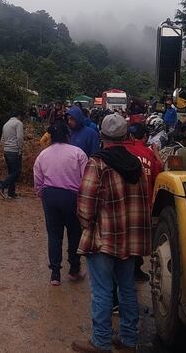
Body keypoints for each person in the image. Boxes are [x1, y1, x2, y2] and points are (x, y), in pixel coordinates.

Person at [72, 113, 151, 353]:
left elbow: (85, 207)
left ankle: (101, 341)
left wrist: (89, 226)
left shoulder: (98, 163)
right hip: (130, 239)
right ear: (126, 136)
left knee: (102, 290)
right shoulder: (136, 164)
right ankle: (128, 340)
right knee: (127, 288)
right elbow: (144, 200)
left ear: (102, 136)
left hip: (104, 239)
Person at [33, 121, 88, 286]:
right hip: (72, 197)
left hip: (50, 195)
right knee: (74, 232)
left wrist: (42, 194)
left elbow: (37, 179)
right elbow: (86, 178)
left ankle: (55, 274)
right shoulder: (78, 153)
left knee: (54, 235)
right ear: (67, 135)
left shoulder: (43, 154)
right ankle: (74, 269)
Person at [124, 122, 163, 282]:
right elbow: (159, 174)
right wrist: (156, 153)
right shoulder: (148, 154)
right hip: (143, 203)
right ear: (145, 137)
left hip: (123, 201)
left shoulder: (123, 150)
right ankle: (135, 269)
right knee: (137, 238)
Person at [0, 111, 24, 199]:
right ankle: (1, 184)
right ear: (18, 115)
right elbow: (19, 137)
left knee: (11, 172)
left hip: (7, 151)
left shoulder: (6, 124)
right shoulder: (18, 123)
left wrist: (5, 148)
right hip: (14, 150)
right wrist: (20, 149)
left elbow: (2, 139)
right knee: (16, 172)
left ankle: (11, 193)